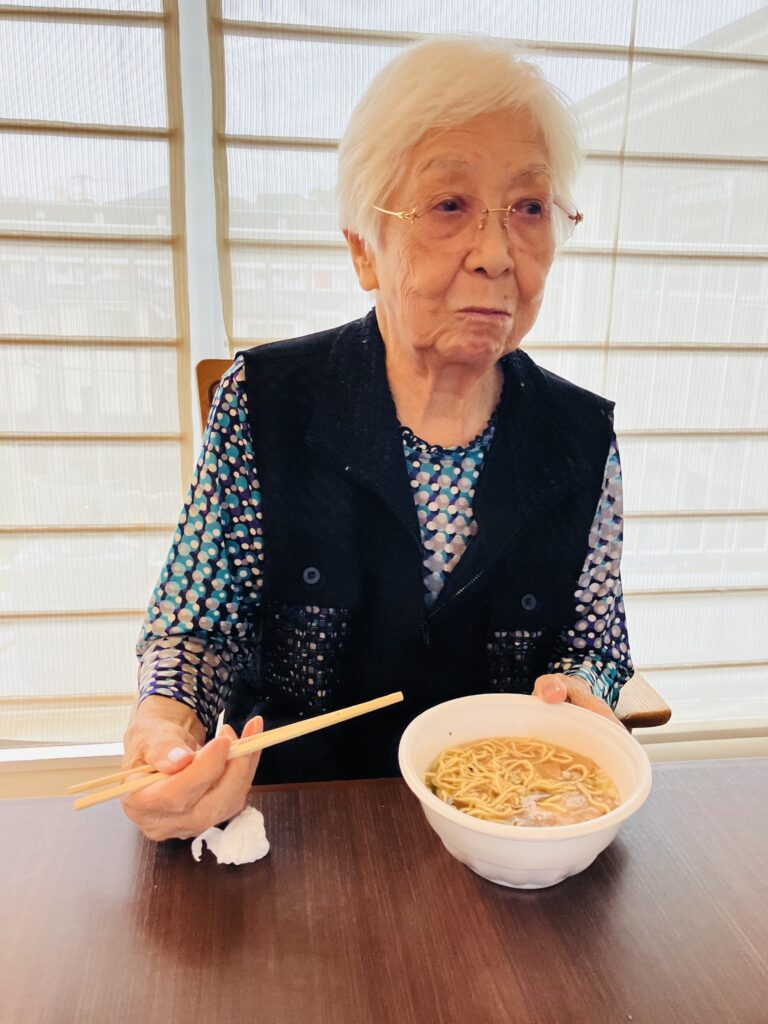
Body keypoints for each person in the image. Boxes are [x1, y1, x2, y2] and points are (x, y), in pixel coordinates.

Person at [122, 36, 632, 841]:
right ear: (364, 247)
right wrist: (169, 730)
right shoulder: (264, 403)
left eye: (529, 208)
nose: (498, 255)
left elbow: (595, 635)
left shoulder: (580, 437)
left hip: (504, 840)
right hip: (297, 834)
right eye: (449, 206)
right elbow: (199, 624)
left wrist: (579, 687)